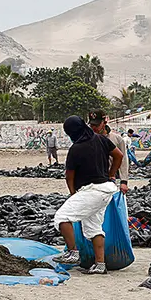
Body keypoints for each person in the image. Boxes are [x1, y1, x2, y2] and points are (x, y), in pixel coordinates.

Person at [51, 116, 123, 275]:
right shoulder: (100, 139)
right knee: (94, 228)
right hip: (106, 189)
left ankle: (72, 253)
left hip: (91, 191)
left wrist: (72, 194)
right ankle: (99, 264)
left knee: (62, 217)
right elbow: (119, 155)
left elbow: (69, 176)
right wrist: (112, 175)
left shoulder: (76, 148)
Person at [89, 113, 129, 195]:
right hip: (93, 181)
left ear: (104, 123)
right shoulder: (88, 139)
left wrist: (124, 181)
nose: (94, 128)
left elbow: (123, 160)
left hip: (111, 179)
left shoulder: (116, 139)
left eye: (96, 125)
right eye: (92, 125)